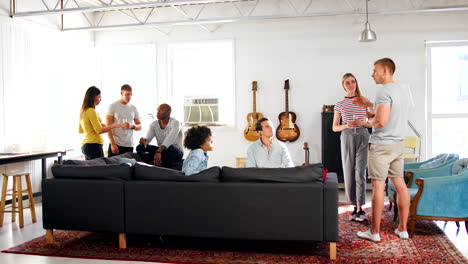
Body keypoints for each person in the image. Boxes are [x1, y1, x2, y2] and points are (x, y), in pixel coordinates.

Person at [350, 58, 411, 242]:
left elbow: (381, 122)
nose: (372, 74)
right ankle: (402, 229)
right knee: (400, 184)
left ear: (385, 71)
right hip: (397, 144)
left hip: (382, 145)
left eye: (375, 70)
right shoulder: (402, 90)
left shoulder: (383, 91)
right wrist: (369, 107)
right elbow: (388, 115)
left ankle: (374, 232)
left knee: (378, 186)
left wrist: (363, 122)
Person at [333, 73, 372, 222]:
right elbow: (334, 127)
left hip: (363, 135)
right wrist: (347, 125)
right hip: (347, 135)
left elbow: (371, 121)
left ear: (356, 83)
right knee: (349, 171)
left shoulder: (363, 101)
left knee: (361, 172)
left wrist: (364, 119)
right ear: (343, 86)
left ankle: (360, 208)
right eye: (347, 83)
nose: (351, 85)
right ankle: (352, 205)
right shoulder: (340, 104)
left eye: (353, 81)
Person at [79, 86, 127, 160]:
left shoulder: (83, 111)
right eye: (99, 97)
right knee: (100, 170)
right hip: (94, 145)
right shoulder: (91, 111)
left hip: (86, 146)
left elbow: (81, 130)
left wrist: (99, 124)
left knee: (91, 170)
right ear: (93, 97)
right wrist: (115, 125)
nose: (100, 100)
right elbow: (99, 130)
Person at [137, 103, 183, 168]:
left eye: (161, 110)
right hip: (161, 152)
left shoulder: (175, 123)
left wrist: (158, 152)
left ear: (168, 112)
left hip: (176, 151)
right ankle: (153, 164)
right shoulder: (153, 124)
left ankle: (163, 167)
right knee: (139, 147)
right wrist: (144, 141)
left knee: (171, 148)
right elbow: (148, 139)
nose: (158, 112)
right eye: (157, 110)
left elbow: (169, 140)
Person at [106, 84, 142, 157]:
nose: (129, 97)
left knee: (128, 168)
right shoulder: (112, 106)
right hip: (116, 144)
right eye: (127, 94)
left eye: (131, 94)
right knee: (112, 167)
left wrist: (132, 126)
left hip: (129, 145)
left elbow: (140, 126)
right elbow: (108, 127)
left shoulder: (133, 108)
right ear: (121, 93)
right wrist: (113, 144)